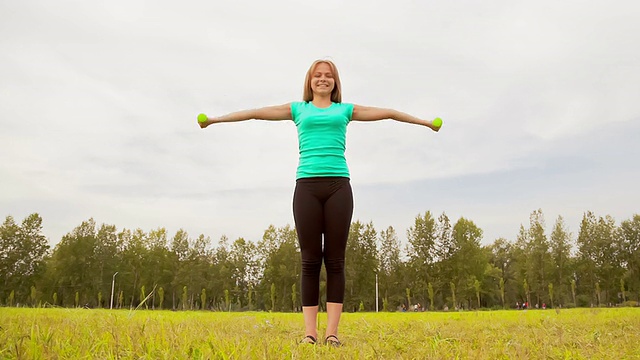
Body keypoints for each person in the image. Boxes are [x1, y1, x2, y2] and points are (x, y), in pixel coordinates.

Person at [198, 59, 441, 347]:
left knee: (335, 260)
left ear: (335, 82)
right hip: (307, 187)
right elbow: (254, 113)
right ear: (310, 81)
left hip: (339, 185)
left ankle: (332, 333)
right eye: (318, 75)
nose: (323, 79)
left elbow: (387, 113)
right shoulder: (297, 109)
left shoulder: (345, 110)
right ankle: (310, 333)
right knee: (310, 260)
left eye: (328, 76)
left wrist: (425, 123)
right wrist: (214, 120)